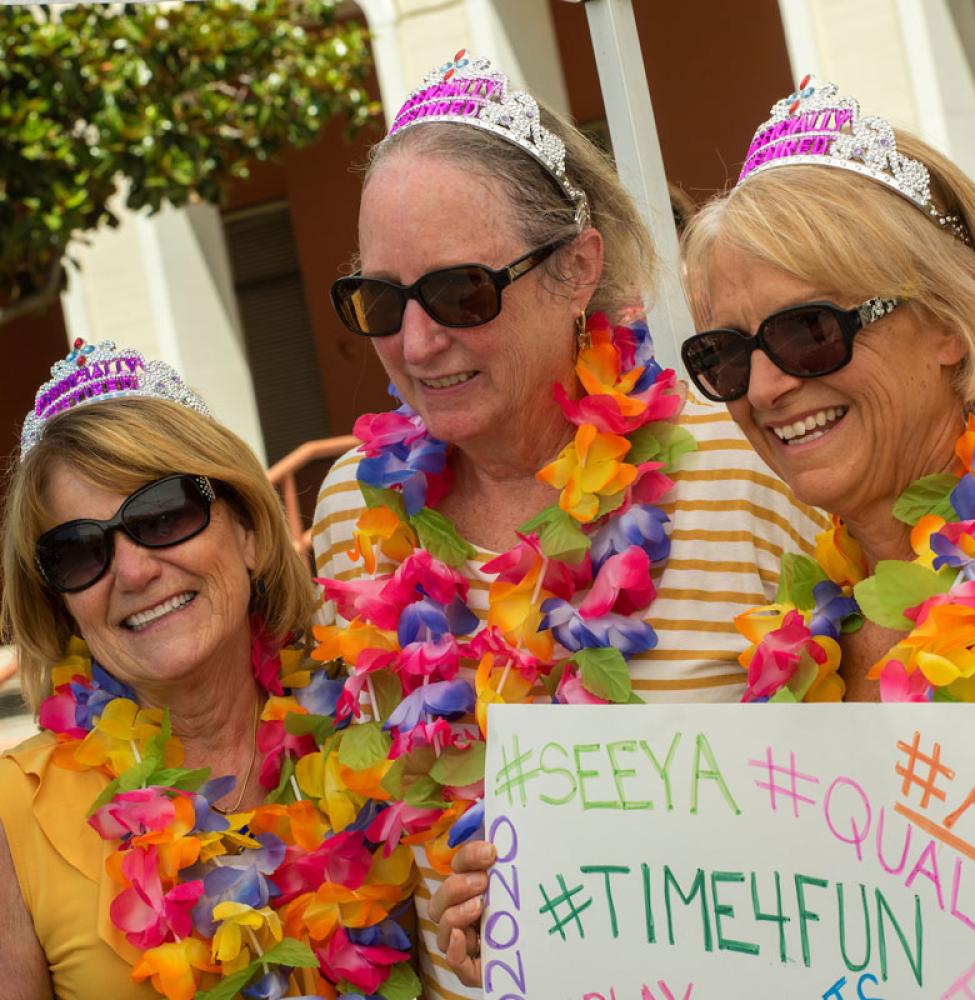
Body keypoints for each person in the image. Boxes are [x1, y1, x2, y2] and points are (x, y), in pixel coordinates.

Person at [311, 52, 825, 996]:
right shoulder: (354, 509)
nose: (418, 342)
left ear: (577, 269)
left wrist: (612, 898)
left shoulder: (746, 467)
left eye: (462, 292)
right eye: (380, 301)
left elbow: (856, 815)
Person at [0, 343, 418, 999]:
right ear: (61, 602)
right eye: (79, 551)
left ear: (248, 528)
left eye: (163, 514)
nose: (134, 571)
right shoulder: (15, 812)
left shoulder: (375, 735)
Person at [679, 76, 975, 706]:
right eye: (727, 354)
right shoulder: (802, 637)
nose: (764, 389)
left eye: (809, 330)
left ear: (946, 320)